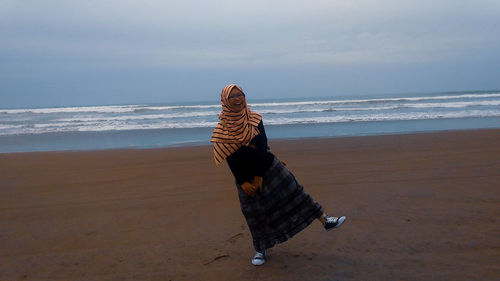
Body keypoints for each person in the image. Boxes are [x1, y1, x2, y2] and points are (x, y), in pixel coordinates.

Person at [210, 84, 346, 266]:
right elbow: (231, 158)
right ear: (225, 101)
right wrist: (243, 181)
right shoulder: (221, 129)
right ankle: (260, 250)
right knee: (254, 213)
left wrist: (259, 175)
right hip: (245, 178)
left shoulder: (255, 119)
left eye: (239, 94)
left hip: (268, 167)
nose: (237, 98)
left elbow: (262, 146)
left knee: (295, 192)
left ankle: (325, 220)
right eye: (232, 96)